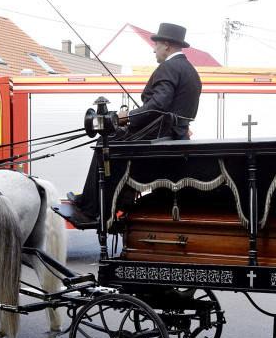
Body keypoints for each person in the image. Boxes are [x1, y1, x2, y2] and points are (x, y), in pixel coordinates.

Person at [65, 23, 203, 228]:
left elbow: (158, 105)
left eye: (156, 45)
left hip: (160, 134)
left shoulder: (169, 67)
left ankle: (92, 208)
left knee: (105, 144)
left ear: (166, 45)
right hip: (177, 133)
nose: (153, 49)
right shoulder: (190, 70)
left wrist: (126, 116)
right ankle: (113, 198)